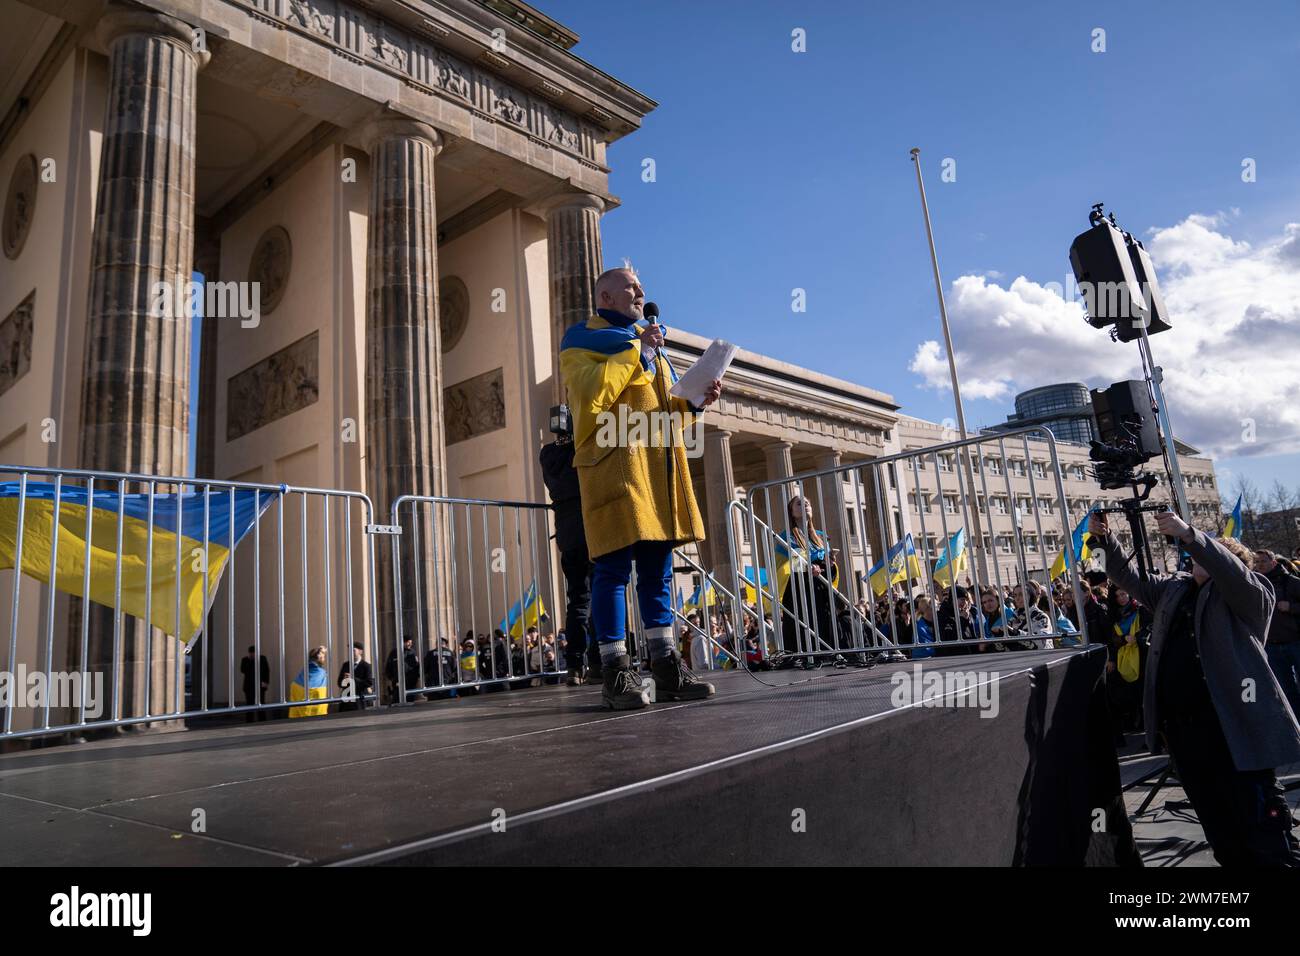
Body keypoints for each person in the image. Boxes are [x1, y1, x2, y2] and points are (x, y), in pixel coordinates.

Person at [1091, 509, 1300, 866]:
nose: (1195, 559)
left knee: (1261, 830)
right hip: (1186, 734)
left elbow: (1230, 571)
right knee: (1221, 830)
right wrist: (1106, 541)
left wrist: (1191, 535)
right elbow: (1128, 577)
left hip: (1234, 730)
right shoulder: (1174, 590)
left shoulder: (1251, 592)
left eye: (1208, 553)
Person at [559, 265, 722, 709]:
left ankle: (666, 667)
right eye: (631, 287)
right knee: (611, 572)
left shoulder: (647, 349)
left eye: (641, 288)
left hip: (654, 472)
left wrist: (692, 402)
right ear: (606, 297)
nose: (641, 293)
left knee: (658, 573)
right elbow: (593, 398)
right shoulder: (579, 343)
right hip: (613, 467)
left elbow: (662, 412)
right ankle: (614, 672)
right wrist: (640, 356)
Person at [540, 411, 603, 687]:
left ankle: (574, 666)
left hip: (568, 536)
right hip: (591, 529)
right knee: (599, 595)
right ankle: (599, 661)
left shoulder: (548, 454)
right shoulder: (581, 448)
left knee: (577, 600)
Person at [776, 495, 842, 668]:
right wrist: (808, 567)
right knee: (803, 624)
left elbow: (830, 566)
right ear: (791, 511)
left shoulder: (820, 536)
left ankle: (828, 655)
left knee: (824, 622)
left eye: (807, 502)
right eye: (799, 503)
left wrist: (829, 564)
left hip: (820, 588)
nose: (805, 504)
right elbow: (784, 567)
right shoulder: (785, 537)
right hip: (800, 589)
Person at [1255, 549, 1300, 718]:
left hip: (1295, 642)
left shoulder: (1291, 582)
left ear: (1273, 562)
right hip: (1272, 646)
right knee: (1286, 691)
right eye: (1257, 562)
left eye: (1263, 561)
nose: (1260, 565)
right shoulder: (1255, 583)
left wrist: (1291, 607)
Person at [289, 646, 329, 718]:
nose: (324, 659)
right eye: (323, 657)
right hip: (315, 715)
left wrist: (321, 651)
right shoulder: (321, 673)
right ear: (318, 657)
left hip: (298, 714)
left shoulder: (303, 671)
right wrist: (322, 651)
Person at [337, 642, 374, 711]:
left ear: (360, 651)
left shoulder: (366, 666)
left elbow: (369, 682)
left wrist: (353, 679)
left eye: (353, 650)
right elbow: (339, 683)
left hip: (359, 700)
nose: (351, 652)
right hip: (346, 700)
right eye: (349, 650)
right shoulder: (346, 665)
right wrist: (344, 680)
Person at [240, 645, 270, 722]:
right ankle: (249, 721)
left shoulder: (262, 658)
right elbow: (243, 670)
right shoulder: (245, 660)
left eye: (254, 653)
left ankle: (262, 721)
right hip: (249, 686)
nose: (252, 654)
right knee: (249, 704)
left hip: (260, 685)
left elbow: (266, 670)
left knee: (261, 703)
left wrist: (266, 682)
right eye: (251, 653)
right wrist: (250, 661)